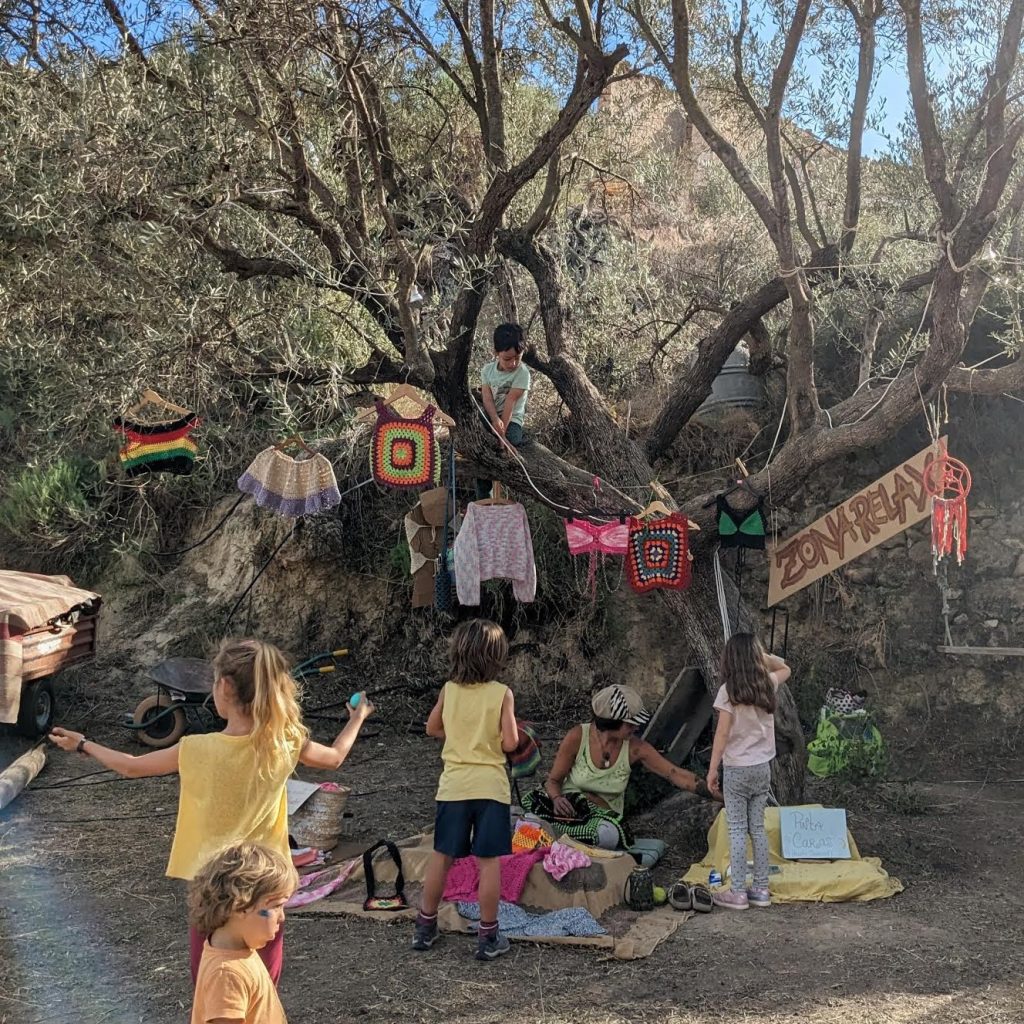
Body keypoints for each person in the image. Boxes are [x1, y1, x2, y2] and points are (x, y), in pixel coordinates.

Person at [48, 637, 374, 984]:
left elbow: (131, 765)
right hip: (267, 882)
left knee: (211, 981)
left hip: (213, 887)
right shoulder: (283, 741)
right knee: (263, 985)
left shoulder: (195, 749)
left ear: (225, 687)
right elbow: (335, 757)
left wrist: (83, 744)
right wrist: (357, 718)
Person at [412, 618, 519, 961]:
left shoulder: (449, 690)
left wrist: (458, 736)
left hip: (453, 788)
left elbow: (432, 728)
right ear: (496, 657)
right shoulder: (502, 694)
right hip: (491, 789)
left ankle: (425, 927)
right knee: (488, 863)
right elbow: (511, 742)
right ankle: (489, 936)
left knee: (442, 856)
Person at [523, 684, 714, 850]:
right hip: (568, 812)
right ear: (612, 723)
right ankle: (559, 843)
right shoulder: (578, 737)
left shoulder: (635, 748)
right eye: (630, 724)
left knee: (607, 836)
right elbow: (553, 781)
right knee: (528, 821)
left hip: (601, 820)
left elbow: (675, 774)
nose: (636, 728)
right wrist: (557, 799)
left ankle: (558, 843)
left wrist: (717, 792)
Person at [706, 633, 791, 910]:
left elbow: (722, 734)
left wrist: (712, 769)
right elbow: (785, 668)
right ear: (756, 657)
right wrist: (765, 657)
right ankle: (762, 889)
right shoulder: (767, 684)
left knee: (737, 829)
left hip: (736, 770)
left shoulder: (728, 692)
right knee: (757, 828)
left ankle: (738, 892)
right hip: (762, 768)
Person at [188, 841, 297, 1024]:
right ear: (241, 905)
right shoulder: (226, 975)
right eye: (276, 906)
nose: (282, 917)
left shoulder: (239, 949)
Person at [476, 322, 530, 499]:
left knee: (511, 441)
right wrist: (494, 419)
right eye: (507, 359)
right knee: (480, 447)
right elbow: (487, 398)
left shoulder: (522, 373)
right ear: (496, 353)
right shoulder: (487, 371)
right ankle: (484, 498)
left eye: (517, 358)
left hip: (511, 419)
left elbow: (510, 401)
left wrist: (502, 434)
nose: (513, 363)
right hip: (491, 416)